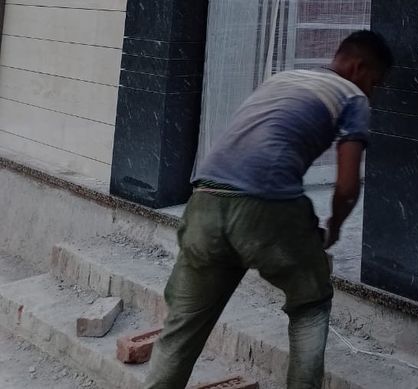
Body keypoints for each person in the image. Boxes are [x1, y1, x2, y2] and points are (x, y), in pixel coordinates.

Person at [144, 29, 393, 389]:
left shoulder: (283, 78)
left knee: (182, 326)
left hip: (205, 200)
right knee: (311, 303)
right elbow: (348, 186)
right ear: (358, 67)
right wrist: (334, 226)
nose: (373, 91)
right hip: (266, 206)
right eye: (376, 82)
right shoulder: (353, 96)